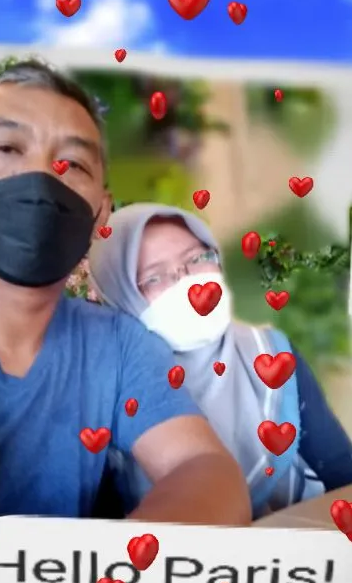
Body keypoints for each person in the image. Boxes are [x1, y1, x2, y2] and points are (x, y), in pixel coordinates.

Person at [0, 57, 251, 526]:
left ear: (101, 214)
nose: (42, 178)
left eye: (73, 164)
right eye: (7, 147)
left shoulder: (118, 346)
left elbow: (203, 469)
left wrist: (112, 568)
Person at [88, 202, 352, 519]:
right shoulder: (108, 391)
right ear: (121, 296)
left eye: (197, 259)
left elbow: (340, 471)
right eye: (155, 277)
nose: (188, 282)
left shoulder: (269, 352)